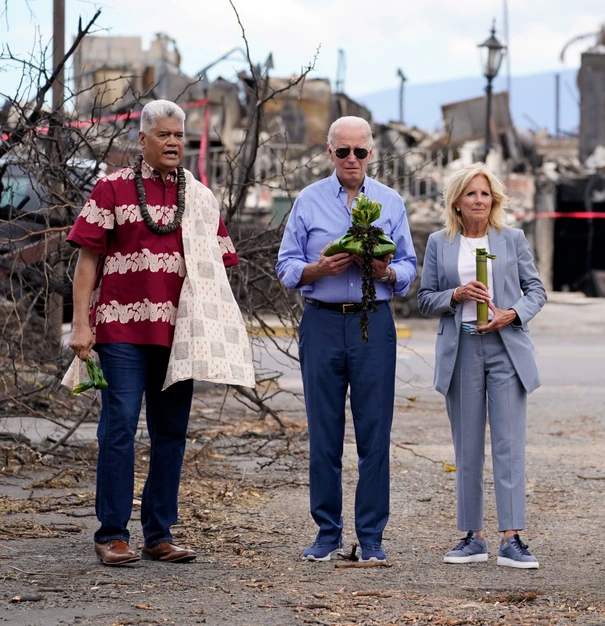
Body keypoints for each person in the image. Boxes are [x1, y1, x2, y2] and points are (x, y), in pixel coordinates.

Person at [67, 99, 254, 566]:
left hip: (180, 334)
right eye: (165, 135)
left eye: (180, 137)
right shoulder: (110, 187)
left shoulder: (200, 197)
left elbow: (215, 270)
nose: (174, 144)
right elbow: (87, 260)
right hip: (121, 331)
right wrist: (80, 323)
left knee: (171, 434)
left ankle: (159, 534)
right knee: (119, 430)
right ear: (143, 139)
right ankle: (112, 534)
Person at [276, 116, 417, 564]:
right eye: (343, 152)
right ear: (329, 152)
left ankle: (371, 537)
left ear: (371, 153)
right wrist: (316, 271)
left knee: (375, 434)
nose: (352, 159)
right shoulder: (307, 200)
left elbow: (410, 268)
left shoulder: (391, 202)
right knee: (324, 433)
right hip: (321, 321)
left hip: (373, 321)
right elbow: (285, 266)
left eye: (360, 152)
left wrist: (387, 271)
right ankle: (327, 532)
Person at [417, 163, 546, 569]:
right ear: (457, 201)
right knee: (467, 447)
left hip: (505, 348)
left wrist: (512, 313)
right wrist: (454, 294)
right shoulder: (439, 242)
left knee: (508, 445)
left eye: (485, 194)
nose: (478, 200)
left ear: (495, 201)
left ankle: (512, 537)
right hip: (462, 350)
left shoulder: (513, 239)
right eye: (471, 193)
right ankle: (472, 536)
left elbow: (536, 290)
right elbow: (424, 299)